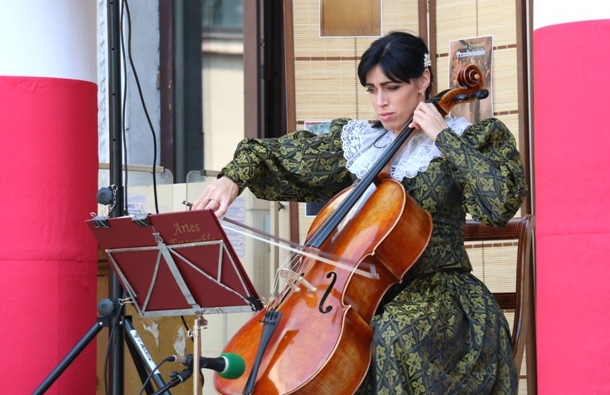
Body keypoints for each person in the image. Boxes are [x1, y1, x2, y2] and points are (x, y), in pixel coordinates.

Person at [192, 31, 528, 394]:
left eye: (391, 87)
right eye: (371, 90)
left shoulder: (470, 138)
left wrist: (442, 135)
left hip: (441, 299)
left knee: (391, 334)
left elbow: (500, 202)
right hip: (358, 298)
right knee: (321, 347)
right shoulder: (360, 141)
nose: (380, 102)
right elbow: (270, 155)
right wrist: (230, 181)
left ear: (424, 81)